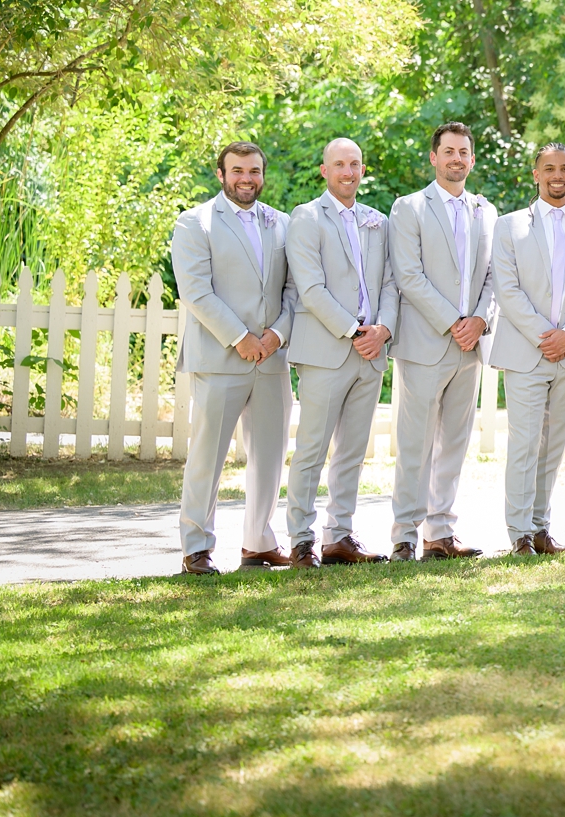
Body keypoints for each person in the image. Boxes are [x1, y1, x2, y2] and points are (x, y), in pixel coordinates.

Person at [168, 142, 297, 575]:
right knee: (208, 455)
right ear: (220, 174)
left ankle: (258, 543)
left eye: (255, 170)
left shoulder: (282, 224)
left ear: (264, 174)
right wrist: (241, 338)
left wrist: (276, 335)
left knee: (269, 457)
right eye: (238, 170)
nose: (247, 178)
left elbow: (294, 291)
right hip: (220, 358)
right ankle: (196, 548)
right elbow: (196, 292)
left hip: (271, 359)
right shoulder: (195, 223)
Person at [387, 122, 499, 561]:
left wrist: (480, 321)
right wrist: (455, 321)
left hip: (470, 346)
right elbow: (408, 275)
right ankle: (404, 535)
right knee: (415, 442)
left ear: (472, 159)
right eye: (448, 151)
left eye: (464, 152)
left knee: (455, 440)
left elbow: (493, 277)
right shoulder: (409, 208)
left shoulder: (485, 212)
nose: (456, 159)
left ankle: (441, 532)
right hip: (425, 343)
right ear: (434, 157)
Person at [283, 137, 397, 567]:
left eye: (354, 164)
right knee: (312, 449)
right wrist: (354, 331)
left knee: (352, 450)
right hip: (326, 351)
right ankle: (300, 539)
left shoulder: (378, 221)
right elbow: (310, 288)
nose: (348, 172)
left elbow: (390, 282)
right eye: (339, 164)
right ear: (324, 170)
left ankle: (340, 536)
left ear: (362, 170)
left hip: (371, 353)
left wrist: (382, 330)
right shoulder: (306, 218)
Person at [489, 143, 565, 555]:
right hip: (525, 350)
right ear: (535, 175)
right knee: (524, 442)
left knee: (554, 444)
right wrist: (545, 334)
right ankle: (518, 532)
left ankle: (540, 527)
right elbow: (508, 289)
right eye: (549, 168)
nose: (558, 175)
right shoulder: (510, 225)